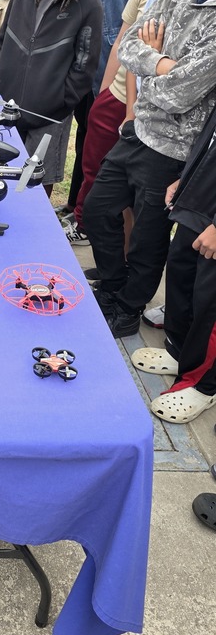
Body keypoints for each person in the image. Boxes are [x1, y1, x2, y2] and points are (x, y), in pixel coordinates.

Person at [83, 0, 216, 339]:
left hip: (175, 147)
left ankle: (128, 305)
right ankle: (114, 282)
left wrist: (155, 64)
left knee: (148, 237)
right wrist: (160, 61)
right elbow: (133, 42)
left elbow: (183, 94)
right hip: (138, 129)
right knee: (97, 209)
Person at [63, 0, 199, 245]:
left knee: (139, 203)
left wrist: (147, 69)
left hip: (153, 121)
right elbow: (124, 47)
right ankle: (102, 252)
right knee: (97, 178)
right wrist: (107, 92)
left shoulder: (194, 10)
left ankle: (125, 261)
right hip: (119, 98)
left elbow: (174, 80)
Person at [58, 0, 159, 225]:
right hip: (89, 58)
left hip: (116, 68)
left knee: (102, 145)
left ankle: (90, 221)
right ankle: (75, 208)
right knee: (85, 136)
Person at [0, 0, 109, 197]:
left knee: (34, 195)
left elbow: (83, 69)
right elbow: (4, 39)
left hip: (49, 120)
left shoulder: (87, 5)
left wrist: (57, 102)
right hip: (6, 111)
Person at [131, 102, 216, 424]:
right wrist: (188, 179)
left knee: (211, 306)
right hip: (202, 199)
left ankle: (202, 384)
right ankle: (180, 352)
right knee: (182, 278)